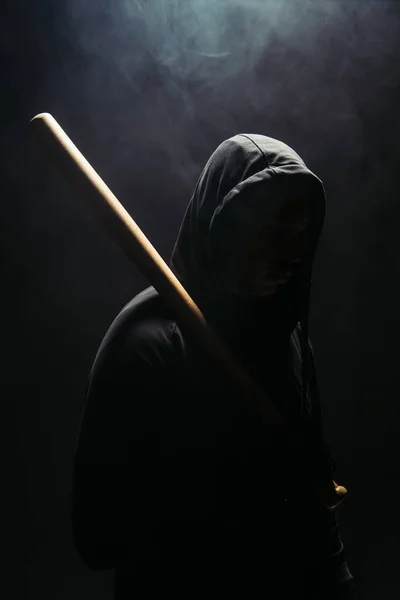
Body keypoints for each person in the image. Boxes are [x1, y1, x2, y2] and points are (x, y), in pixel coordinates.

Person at [71, 133, 355, 598]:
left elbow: (318, 530)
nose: (291, 253)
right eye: (271, 230)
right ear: (219, 225)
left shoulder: (283, 337)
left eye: (300, 233)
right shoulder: (148, 344)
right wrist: (238, 489)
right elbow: (98, 539)